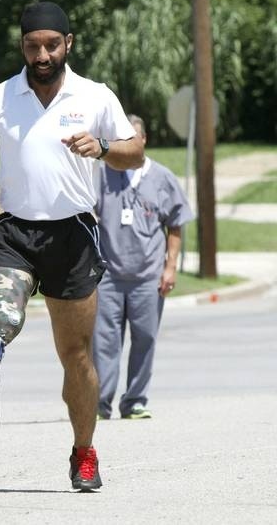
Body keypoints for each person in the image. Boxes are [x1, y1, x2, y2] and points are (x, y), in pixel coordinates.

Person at [0, 0, 144, 491]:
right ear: (22, 47)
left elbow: (134, 151)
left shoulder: (95, 95)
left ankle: (84, 452)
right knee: (3, 315)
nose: (41, 54)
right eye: (31, 45)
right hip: (15, 231)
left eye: (50, 44)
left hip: (73, 235)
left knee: (76, 354)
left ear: (68, 44)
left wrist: (103, 149)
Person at [92, 114, 194, 421]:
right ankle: (100, 402)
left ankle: (134, 400)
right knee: (104, 341)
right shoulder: (101, 174)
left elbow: (175, 225)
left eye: (131, 139)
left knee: (145, 337)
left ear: (143, 140)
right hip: (108, 275)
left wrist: (170, 267)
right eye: (120, 140)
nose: (125, 145)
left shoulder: (162, 178)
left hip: (148, 275)